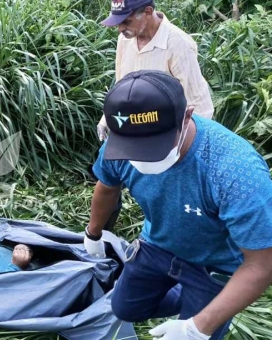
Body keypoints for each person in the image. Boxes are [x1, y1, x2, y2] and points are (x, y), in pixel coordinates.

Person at [84, 70, 272, 340]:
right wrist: (93, 234)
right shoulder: (117, 147)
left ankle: (206, 303)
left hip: (215, 263)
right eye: (132, 147)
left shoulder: (236, 171)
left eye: (152, 145)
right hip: (157, 243)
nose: (141, 159)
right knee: (125, 307)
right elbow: (107, 186)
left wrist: (197, 327)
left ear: (187, 116)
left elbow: (263, 264)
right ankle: (188, 297)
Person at [97, 0, 214, 142]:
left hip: (167, 134)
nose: (120, 29)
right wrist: (107, 118)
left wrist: (188, 146)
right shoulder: (125, 39)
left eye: (126, 21)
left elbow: (198, 104)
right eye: (118, 23)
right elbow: (122, 85)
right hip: (133, 129)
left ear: (147, 12)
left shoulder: (178, 44)